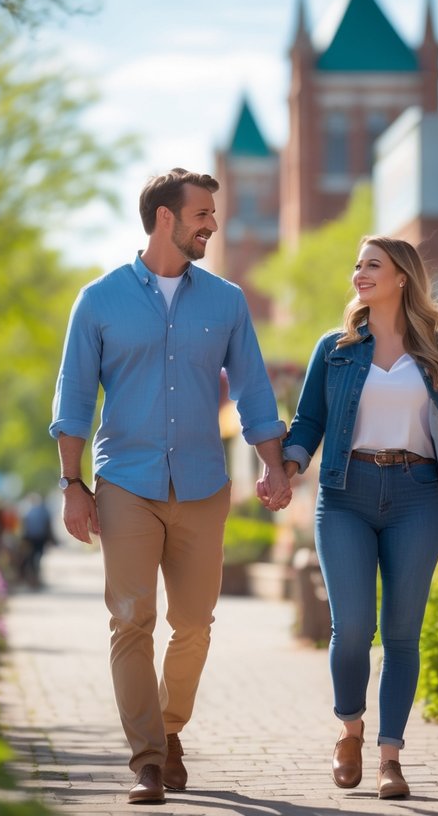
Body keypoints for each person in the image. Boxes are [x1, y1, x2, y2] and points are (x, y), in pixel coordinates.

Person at [50, 168, 291, 805]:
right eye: (202, 214)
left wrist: (272, 463)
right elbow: (73, 402)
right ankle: (148, 760)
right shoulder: (98, 301)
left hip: (204, 484)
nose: (212, 224)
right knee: (131, 620)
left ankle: (170, 727)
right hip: (125, 481)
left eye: (212, 214)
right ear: (165, 217)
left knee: (195, 624)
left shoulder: (227, 301)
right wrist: (72, 485)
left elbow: (253, 392)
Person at [281, 235, 438, 800]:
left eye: (372, 265)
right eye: (357, 264)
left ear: (401, 278)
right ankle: (351, 730)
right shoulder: (335, 348)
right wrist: (287, 464)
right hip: (345, 493)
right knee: (352, 630)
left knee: (403, 635)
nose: (359, 273)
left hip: (417, 496)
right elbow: (309, 420)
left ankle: (391, 756)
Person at [18, 491, 55, 587]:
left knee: (32, 557)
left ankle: (34, 579)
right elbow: (48, 524)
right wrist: (51, 537)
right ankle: (35, 578)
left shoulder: (27, 510)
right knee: (37, 557)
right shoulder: (43, 510)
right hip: (40, 537)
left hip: (31, 537)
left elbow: (24, 524)